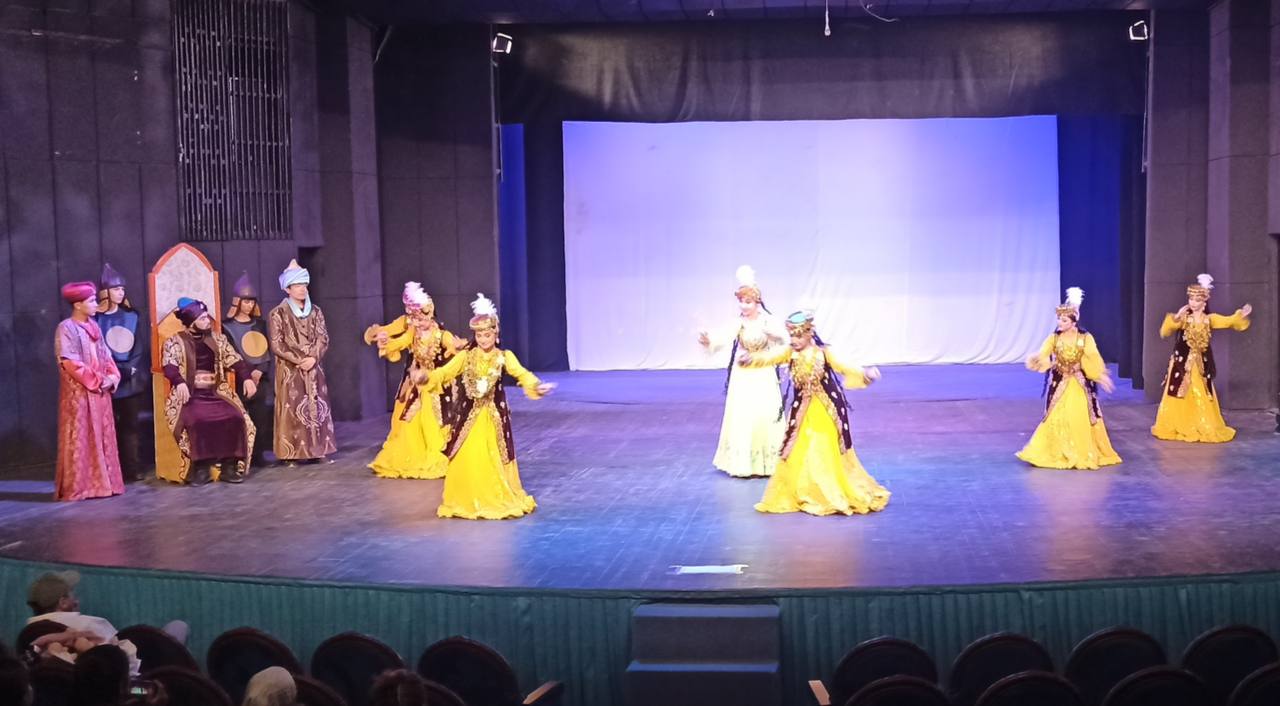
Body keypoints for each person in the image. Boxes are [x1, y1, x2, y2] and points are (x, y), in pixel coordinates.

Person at [742, 309, 891, 516]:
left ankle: (826, 493)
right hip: (802, 412)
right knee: (797, 449)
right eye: (791, 336)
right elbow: (770, 357)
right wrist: (752, 359)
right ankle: (805, 490)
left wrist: (864, 373)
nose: (794, 340)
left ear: (809, 333)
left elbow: (844, 366)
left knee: (822, 450)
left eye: (798, 336)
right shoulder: (790, 352)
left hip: (825, 410)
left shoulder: (823, 353)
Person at [425, 293, 555, 519]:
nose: (483, 339)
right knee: (467, 455)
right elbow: (445, 372)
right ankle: (466, 498)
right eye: (479, 335)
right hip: (468, 416)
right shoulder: (466, 356)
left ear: (495, 334)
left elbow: (521, 373)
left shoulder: (504, 357)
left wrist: (536, 385)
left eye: (487, 335)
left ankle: (492, 497)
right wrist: (426, 378)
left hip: (493, 417)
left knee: (491, 456)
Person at [1016, 287, 1122, 470]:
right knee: (1056, 415)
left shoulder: (1085, 338)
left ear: (1073, 322)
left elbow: (1093, 357)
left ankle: (1080, 451)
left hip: (1079, 383)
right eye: (1059, 319)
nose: (1060, 322)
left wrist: (1100, 375)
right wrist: (1037, 361)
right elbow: (1043, 354)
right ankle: (1056, 450)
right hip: (1060, 382)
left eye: (1064, 320)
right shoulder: (1054, 338)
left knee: (1078, 414)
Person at [697, 265, 787, 478]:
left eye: (748, 302)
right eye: (741, 301)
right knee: (744, 415)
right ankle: (744, 462)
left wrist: (774, 337)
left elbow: (786, 341)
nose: (744, 306)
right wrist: (708, 340)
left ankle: (769, 461)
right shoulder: (739, 323)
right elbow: (722, 337)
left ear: (757, 302)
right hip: (744, 375)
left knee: (765, 413)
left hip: (763, 372)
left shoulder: (768, 321)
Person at [367, 282, 464, 480]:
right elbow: (400, 342)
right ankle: (412, 457)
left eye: (420, 319)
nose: (416, 323)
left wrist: (459, 346)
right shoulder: (413, 332)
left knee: (431, 421)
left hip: (436, 386)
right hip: (417, 385)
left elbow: (454, 350)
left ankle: (437, 454)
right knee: (409, 421)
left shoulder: (441, 335)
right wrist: (386, 342)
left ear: (430, 315)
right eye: (414, 319)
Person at [161, 299, 259, 484]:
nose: (208, 321)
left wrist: (246, 378)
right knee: (197, 420)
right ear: (191, 322)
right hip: (190, 394)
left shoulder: (218, 339)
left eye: (207, 316)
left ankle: (229, 466)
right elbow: (169, 366)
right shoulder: (174, 341)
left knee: (236, 417)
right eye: (202, 318)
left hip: (216, 391)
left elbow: (235, 359)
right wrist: (179, 382)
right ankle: (201, 468)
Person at [1151, 273, 1253, 443]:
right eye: (1191, 299)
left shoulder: (1209, 319)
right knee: (1179, 392)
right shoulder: (1185, 318)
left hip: (1200, 364)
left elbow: (1228, 321)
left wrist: (1240, 315)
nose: (1193, 302)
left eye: (1197, 300)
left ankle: (1202, 424)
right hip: (1182, 363)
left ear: (1204, 302)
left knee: (1201, 392)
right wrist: (1177, 316)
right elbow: (1165, 331)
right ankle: (1179, 424)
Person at [55, 281, 125, 501]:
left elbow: (106, 356)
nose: (96, 304)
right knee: (82, 438)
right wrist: (99, 380)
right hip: (81, 393)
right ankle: (82, 487)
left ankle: (106, 484)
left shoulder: (94, 326)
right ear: (78, 304)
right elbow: (70, 362)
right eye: (92, 301)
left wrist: (112, 377)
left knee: (104, 436)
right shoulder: (67, 328)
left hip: (100, 392)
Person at [268, 259, 336, 464]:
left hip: (314, 367)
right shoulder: (278, 313)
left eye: (304, 285)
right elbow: (277, 344)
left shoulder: (316, 311)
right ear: (287, 289)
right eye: (297, 286)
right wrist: (300, 360)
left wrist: (313, 358)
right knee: (292, 408)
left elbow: (323, 337)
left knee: (316, 407)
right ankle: (291, 453)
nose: (302, 289)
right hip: (290, 369)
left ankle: (317, 450)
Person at [94, 263, 151, 480]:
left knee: (130, 426)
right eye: (116, 289)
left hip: (130, 380)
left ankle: (132, 468)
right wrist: (112, 372)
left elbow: (138, 347)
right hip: (107, 380)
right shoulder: (96, 319)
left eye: (122, 289)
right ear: (105, 292)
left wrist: (129, 369)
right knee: (107, 427)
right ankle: (109, 471)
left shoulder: (132, 316)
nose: (121, 293)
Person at [26, 571, 189, 646]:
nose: (76, 599)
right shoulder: (88, 625)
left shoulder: (29, 632)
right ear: (63, 603)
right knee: (178, 627)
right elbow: (121, 654)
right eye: (72, 594)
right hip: (126, 682)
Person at [223, 272, 275, 465]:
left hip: (259, 377)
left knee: (260, 417)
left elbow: (266, 349)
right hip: (238, 378)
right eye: (245, 301)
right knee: (241, 417)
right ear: (238, 302)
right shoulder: (227, 327)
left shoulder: (260, 324)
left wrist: (260, 370)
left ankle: (259, 455)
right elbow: (230, 352)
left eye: (252, 301)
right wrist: (245, 373)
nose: (249, 305)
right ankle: (242, 455)